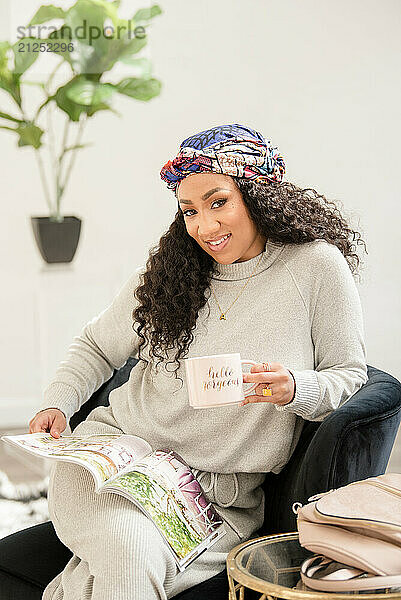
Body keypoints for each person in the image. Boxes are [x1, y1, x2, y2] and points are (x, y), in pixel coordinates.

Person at [29, 123, 369, 600]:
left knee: (126, 563)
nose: (204, 226)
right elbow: (96, 347)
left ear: (258, 192)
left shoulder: (315, 267)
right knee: (129, 550)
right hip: (113, 462)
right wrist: (58, 404)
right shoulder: (170, 269)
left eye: (218, 202)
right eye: (189, 211)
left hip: (215, 502)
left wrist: (296, 387)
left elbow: (351, 376)